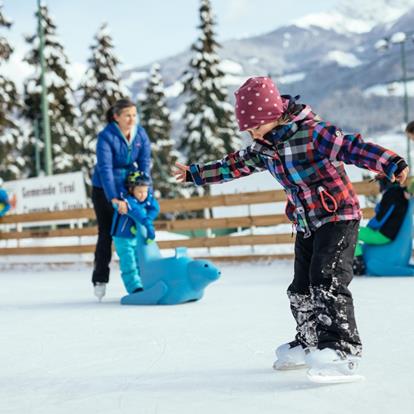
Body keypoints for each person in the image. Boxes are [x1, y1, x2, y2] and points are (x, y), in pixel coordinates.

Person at [174, 76, 409, 381]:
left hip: (339, 216)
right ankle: (310, 341)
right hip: (306, 222)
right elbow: (233, 165)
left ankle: (340, 347)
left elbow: (353, 147)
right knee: (300, 287)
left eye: (255, 126)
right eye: (247, 128)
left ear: (274, 114)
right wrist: (195, 174)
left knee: (326, 280)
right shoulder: (264, 147)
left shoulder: (314, 133)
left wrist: (391, 163)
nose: (251, 133)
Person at [91, 98, 152, 301]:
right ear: (116, 117)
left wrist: (144, 189)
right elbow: (105, 169)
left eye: (134, 115)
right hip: (104, 190)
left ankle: (142, 279)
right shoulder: (106, 136)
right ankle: (100, 279)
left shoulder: (140, 134)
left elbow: (144, 162)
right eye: (127, 115)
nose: (131, 119)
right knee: (107, 234)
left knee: (136, 233)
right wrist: (114, 198)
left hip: (130, 189)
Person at [110, 170, 160, 297]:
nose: (143, 195)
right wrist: (148, 225)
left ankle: (143, 284)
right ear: (132, 190)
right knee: (129, 262)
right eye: (139, 191)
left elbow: (155, 207)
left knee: (139, 260)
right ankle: (134, 288)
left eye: (145, 191)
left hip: (135, 236)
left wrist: (148, 219)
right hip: (122, 237)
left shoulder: (146, 198)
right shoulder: (126, 201)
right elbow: (138, 213)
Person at [353, 179, 410, 275]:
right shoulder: (398, 192)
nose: (378, 185)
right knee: (355, 232)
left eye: (379, 182)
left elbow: (382, 217)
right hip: (389, 232)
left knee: (352, 232)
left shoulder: (391, 194)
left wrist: (370, 226)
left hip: (384, 234)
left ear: (385, 182)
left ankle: (358, 265)